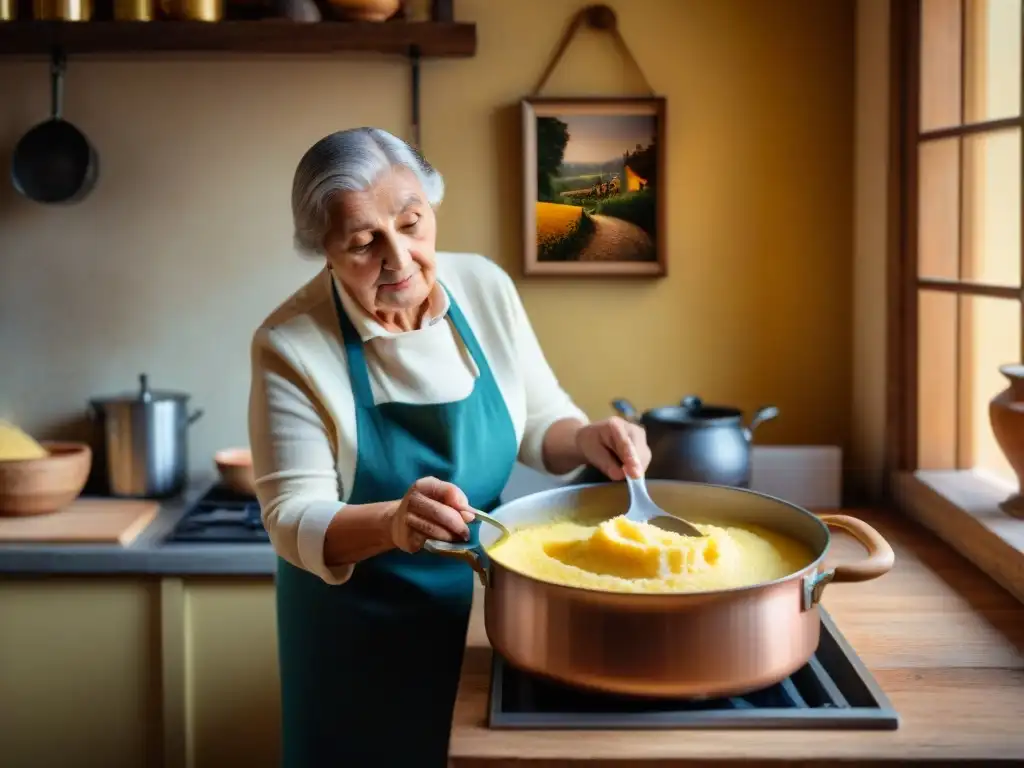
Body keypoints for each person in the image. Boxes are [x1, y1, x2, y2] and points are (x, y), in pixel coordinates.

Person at [248, 127, 652, 767]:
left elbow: (540, 421)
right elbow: (291, 518)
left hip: (487, 617)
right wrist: (393, 519)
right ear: (322, 251)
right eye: (362, 243)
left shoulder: (484, 287)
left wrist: (587, 437)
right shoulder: (291, 345)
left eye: (412, 223)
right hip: (355, 640)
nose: (399, 258)